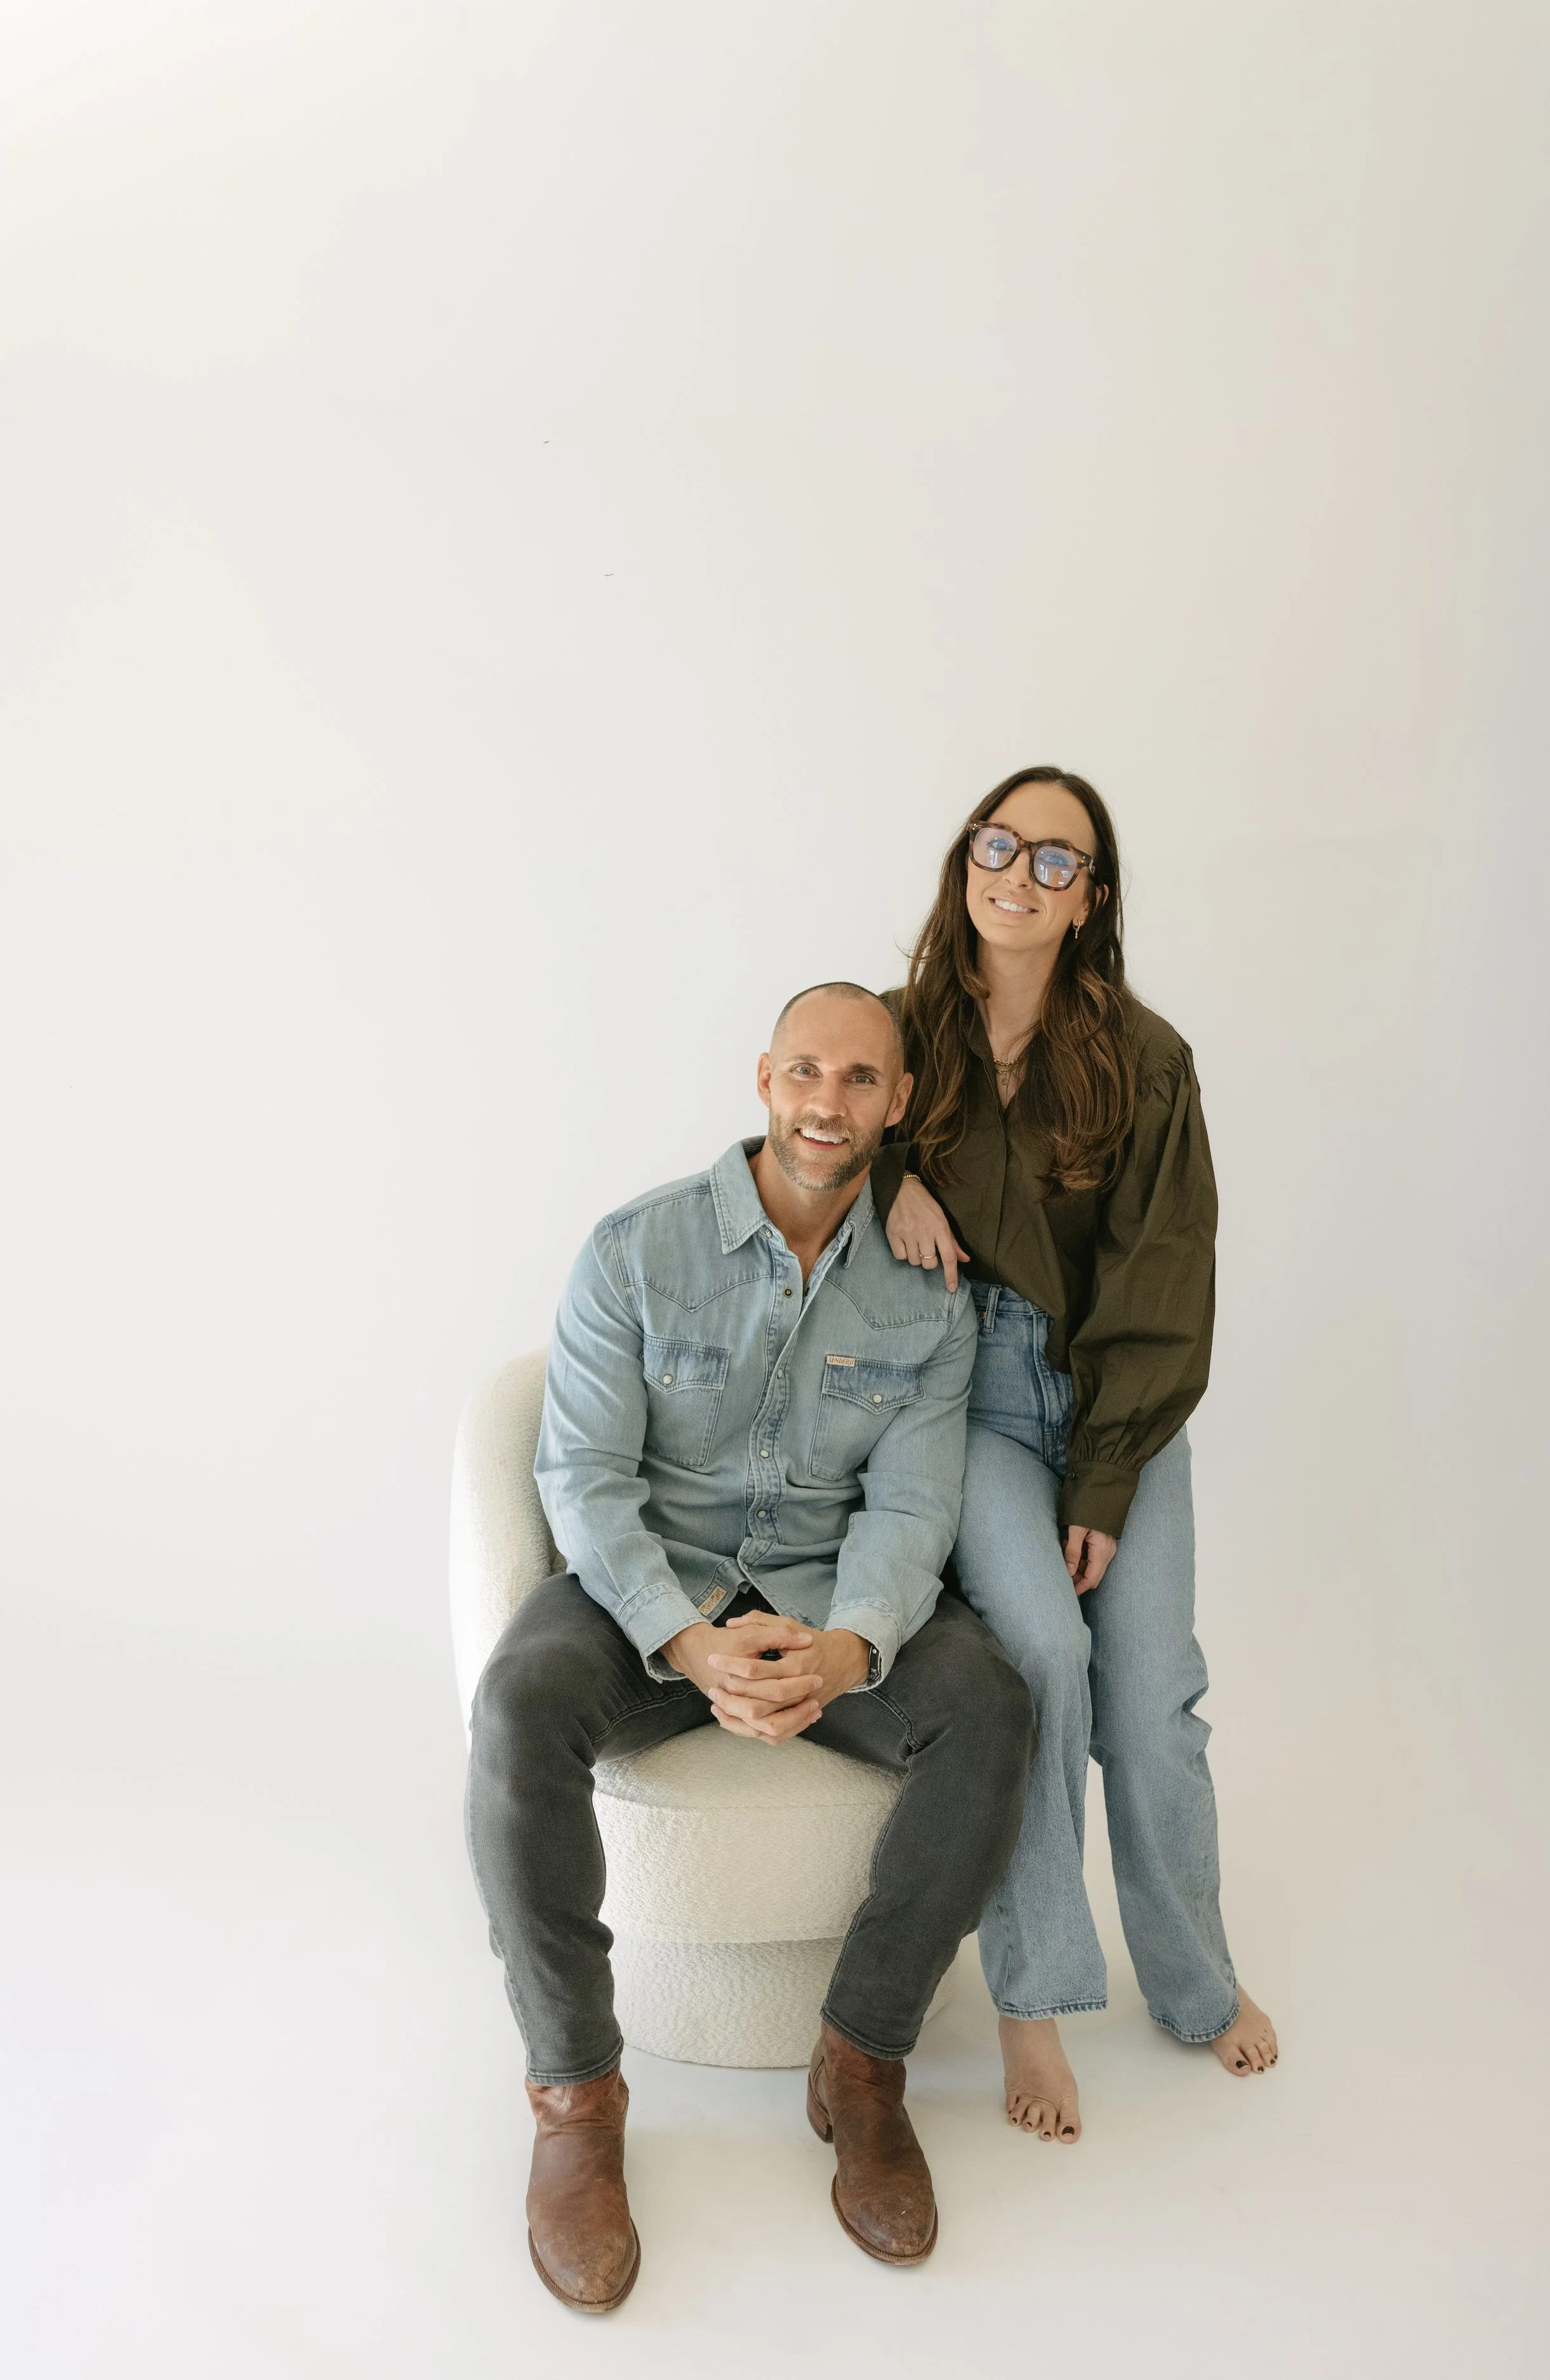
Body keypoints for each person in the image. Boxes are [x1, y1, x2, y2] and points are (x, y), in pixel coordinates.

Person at [466, 983, 1035, 2311]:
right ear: (765, 1077)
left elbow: (912, 1505)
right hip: (648, 1589)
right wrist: (681, 1637)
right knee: (517, 1705)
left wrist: (848, 1648)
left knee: (991, 1706)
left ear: (897, 1101)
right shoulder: (636, 1249)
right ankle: (574, 2095)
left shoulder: (927, 1289)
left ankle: (862, 2063)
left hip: (823, 1596)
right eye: (805, 1072)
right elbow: (584, 1476)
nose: (827, 1103)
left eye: (859, 1080)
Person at [873, 765, 1278, 2148]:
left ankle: (1193, 1978)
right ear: (966, 860)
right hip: (972, 1400)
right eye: (1001, 844)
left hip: (1120, 1398)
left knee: (1150, 1699)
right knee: (1043, 1658)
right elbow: (808, 1134)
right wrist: (896, 1178)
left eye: (1057, 859)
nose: (1021, 873)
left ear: (1089, 898)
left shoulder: (1144, 1058)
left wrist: (1106, 1475)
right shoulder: (900, 1033)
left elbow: (1168, 1271)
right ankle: (1035, 1997)